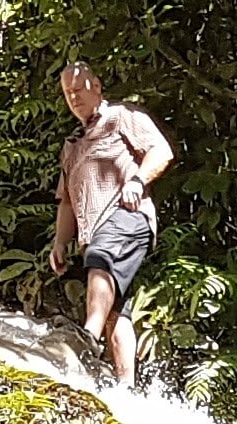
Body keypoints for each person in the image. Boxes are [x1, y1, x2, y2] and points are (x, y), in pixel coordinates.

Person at [47, 62, 173, 389]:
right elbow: (67, 201)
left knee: (100, 259)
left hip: (125, 216)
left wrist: (137, 179)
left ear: (97, 87)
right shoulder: (73, 144)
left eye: (79, 89)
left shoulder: (121, 116)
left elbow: (161, 149)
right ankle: (126, 389)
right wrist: (60, 242)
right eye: (67, 93)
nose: (73, 97)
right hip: (92, 230)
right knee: (116, 309)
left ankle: (86, 337)